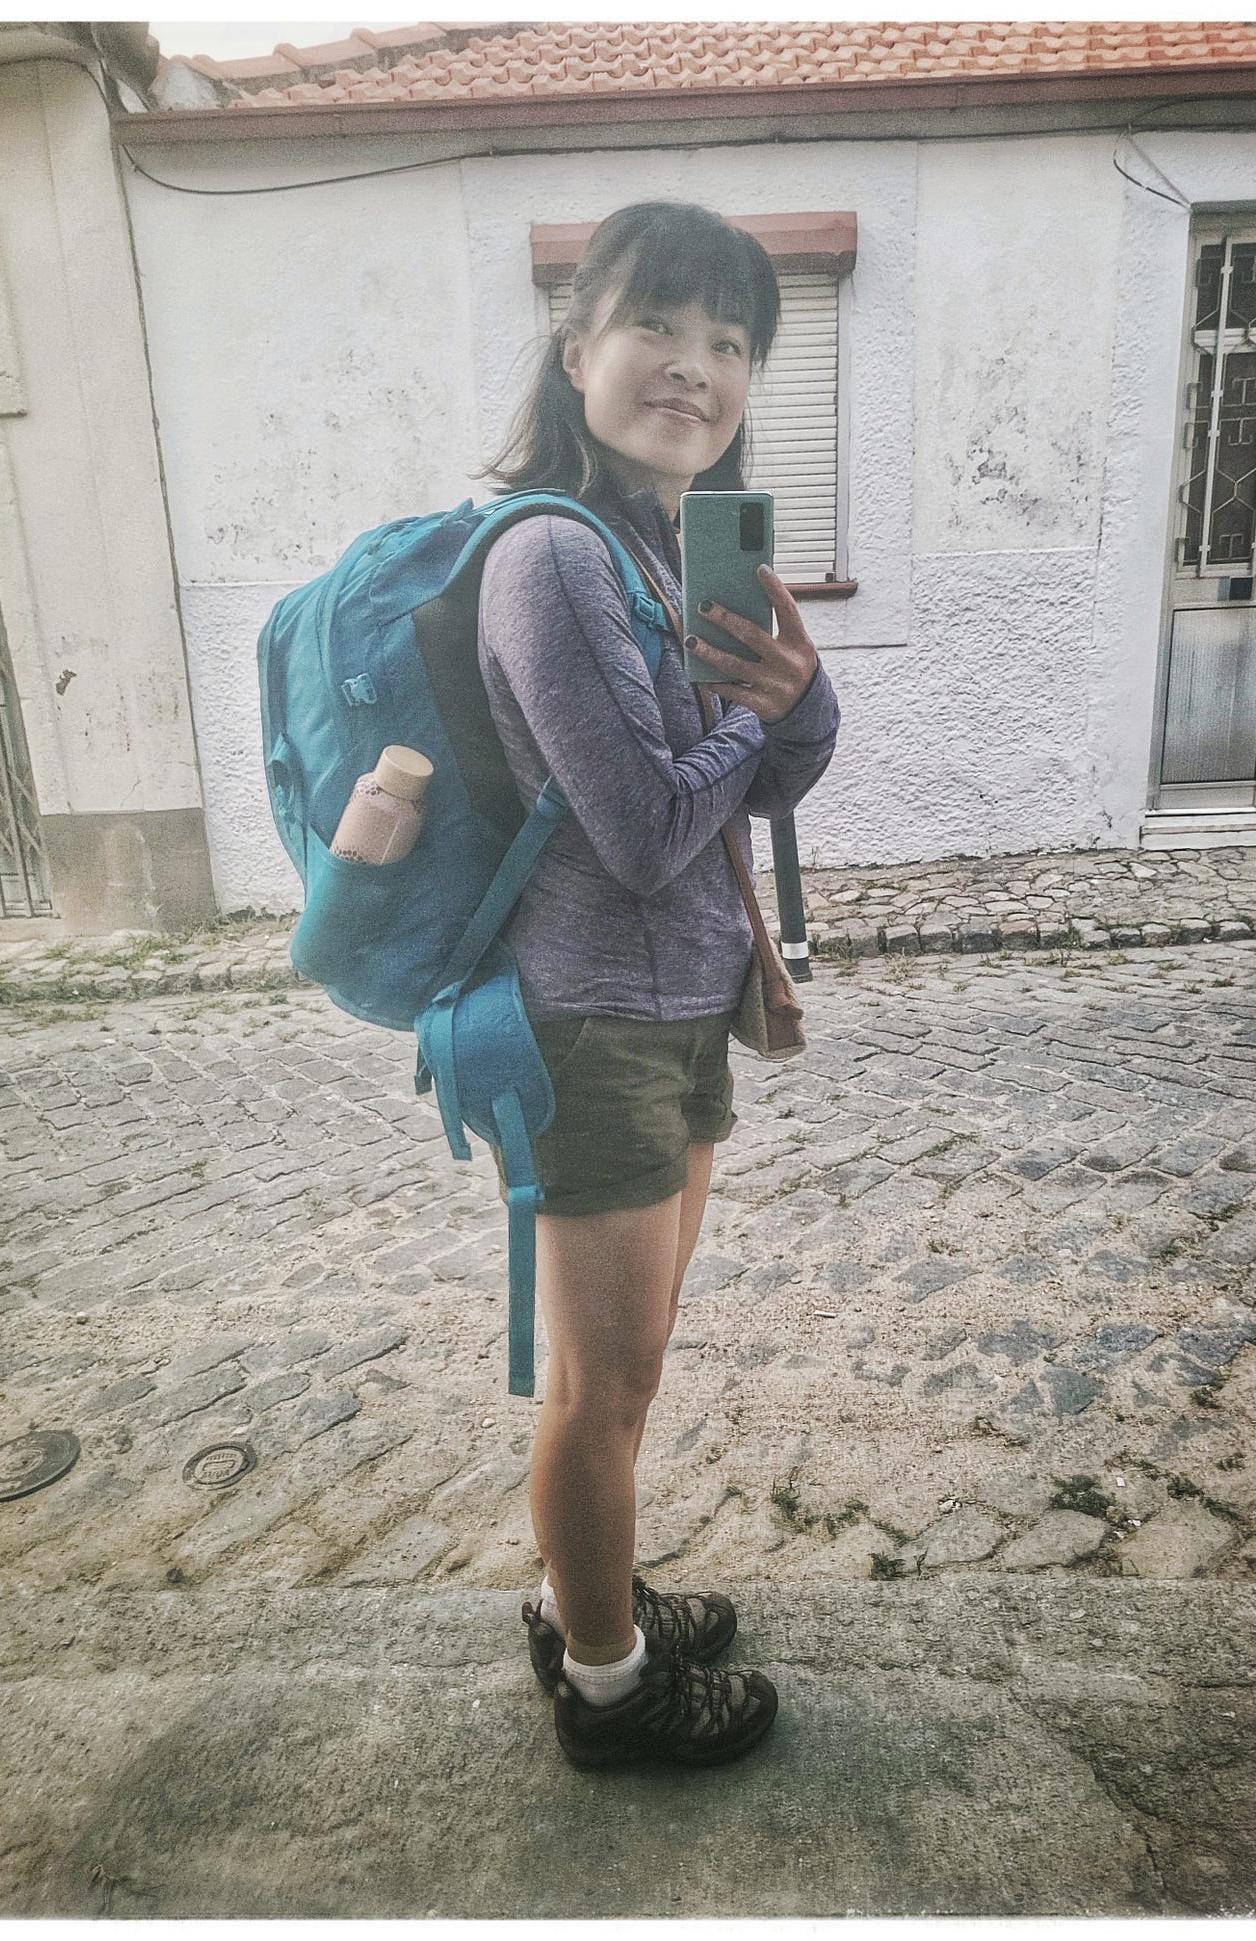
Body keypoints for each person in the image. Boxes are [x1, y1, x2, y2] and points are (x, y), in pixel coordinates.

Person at [475, 201, 841, 1768]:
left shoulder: (666, 548)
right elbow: (642, 831)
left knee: (624, 1365)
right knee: (600, 1379)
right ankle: (607, 1685)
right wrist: (753, 724)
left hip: (678, 1012)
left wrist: (791, 694)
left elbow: (778, 776)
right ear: (577, 353)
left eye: (730, 341)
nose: (695, 366)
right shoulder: (558, 554)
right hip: (598, 1024)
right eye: (658, 327)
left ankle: (590, 1592)